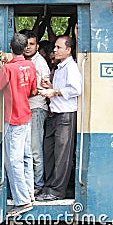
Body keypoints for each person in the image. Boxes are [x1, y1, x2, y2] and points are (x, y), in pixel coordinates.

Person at [0, 33, 37, 216]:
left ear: (10, 47)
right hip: (26, 116)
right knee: (26, 157)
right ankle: (30, 193)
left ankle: (23, 201)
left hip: (13, 119)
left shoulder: (8, 69)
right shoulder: (30, 65)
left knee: (13, 161)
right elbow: (33, 91)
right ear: (25, 48)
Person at [37, 36, 81, 201]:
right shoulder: (61, 67)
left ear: (68, 50)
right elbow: (63, 89)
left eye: (58, 47)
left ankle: (57, 191)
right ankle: (49, 187)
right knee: (49, 153)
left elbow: (76, 89)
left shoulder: (72, 67)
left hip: (65, 116)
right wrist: (51, 87)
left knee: (62, 155)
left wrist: (53, 92)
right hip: (55, 115)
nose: (54, 50)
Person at [21, 30, 50, 197]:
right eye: (25, 44)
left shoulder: (39, 63)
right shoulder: (25, 61)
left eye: (31, 44)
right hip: (26, 109)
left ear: (37, 46)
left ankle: (37, 185)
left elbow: (37, 89)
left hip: (36, 109)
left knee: (34, 149)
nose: (28, 47)